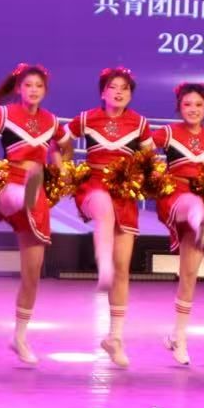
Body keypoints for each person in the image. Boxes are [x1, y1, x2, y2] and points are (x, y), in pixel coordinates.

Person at [0, 63, 68, 366]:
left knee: (32, 274)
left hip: (35, 197)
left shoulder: (51, 121)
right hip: (9, 183)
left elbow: (63, 145)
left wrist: (60, 164)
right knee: (20, 194)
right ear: (18, 88)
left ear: (45, 90)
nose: (33, 90)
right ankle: (25, 194)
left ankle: (19, 337)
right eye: (28, 85)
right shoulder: (6, 114)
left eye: (38, 86)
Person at [65, 66, 150, 367]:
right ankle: (102, 265)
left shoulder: (139, 124)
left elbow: (149, 161)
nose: (119, 92)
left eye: (125, 88)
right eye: (113, 87)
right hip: (93, 186)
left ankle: (115, 338)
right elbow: (61, 142)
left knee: (123, 268)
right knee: (102, 205)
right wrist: (65, 168)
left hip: (124, 195)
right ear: (103, 92)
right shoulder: (87, 119)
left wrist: (141, 179)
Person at [152, 82, 204, 366]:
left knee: (189, 274)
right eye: (187, 104)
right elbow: (144, 150)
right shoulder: (168, 132)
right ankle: (201, 220)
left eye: (199, 105)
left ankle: (178, 337)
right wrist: (154, 172)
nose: (193, 109)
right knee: (193, 205)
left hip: (202, 198)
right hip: (176, 197)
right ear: (179, 107)